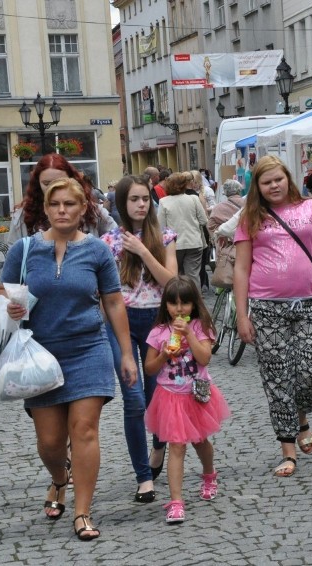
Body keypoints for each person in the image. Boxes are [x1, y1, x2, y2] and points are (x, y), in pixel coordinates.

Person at [0, 177, 137, 541]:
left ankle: (83, 512)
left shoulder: (97, 251)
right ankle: (60, 479)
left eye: (70, 205)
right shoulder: (25, 250)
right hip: (39, 354)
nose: (62, 210)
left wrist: (126, 353)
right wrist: (10, 307)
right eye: (55, 204)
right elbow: (2, 295)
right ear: (45, 209)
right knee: (50, 442)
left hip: (88, 349)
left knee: (85, 429)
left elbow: (113, 302)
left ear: (83, 210)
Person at [233, 155, 312, 477]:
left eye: (278, 179)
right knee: (277, 377)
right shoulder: (250, 217)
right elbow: (241, 269)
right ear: (257, 186)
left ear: (288, 179)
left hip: (309, 303)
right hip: (266, 307)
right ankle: (288, 450)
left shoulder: (311, 209)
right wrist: (242, 315)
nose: (273, 186)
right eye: (266, 181)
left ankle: (302, 416)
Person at [100, 174, 179, 503]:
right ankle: (143, 477)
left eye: (145, 198)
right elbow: (103, 293)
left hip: (156, 323)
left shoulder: (165, 236)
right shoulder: (107, 243)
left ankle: (159, 444)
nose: (141, 204)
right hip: (121, 324)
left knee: (155, 398)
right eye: (134, 199)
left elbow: (171, 282)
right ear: (122, 203)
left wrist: (145, 251)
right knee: (133, 402)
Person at [143, 276, 231, 524]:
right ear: (166, 305)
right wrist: (163, 355)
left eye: (184, 303)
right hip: (170, 396)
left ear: (194, 304)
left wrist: (188, 336)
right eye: (173, 304)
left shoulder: (200, 327)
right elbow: (149, 368)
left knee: (200, 442)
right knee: (176, 446)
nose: (179, 309)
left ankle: (209, 474)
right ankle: (176, 501)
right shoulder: (158, 332)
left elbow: (204, 358)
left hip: (196, 394)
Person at [9, 154, 117, 244]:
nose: (54, 188)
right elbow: (13, 261)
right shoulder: (23, 217)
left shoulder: (94, 212)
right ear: (38, 184)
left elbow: (116, 241)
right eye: (47, 183)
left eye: (60, 181)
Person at [157, 172, 208, 289]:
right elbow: (203, 220)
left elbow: (161, 226)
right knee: (193, 276)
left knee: (175, 276)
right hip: (194, 242)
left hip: (174, 246)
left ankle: (178, 300)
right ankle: (195, 302)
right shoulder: (194, 199)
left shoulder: (164, 202)